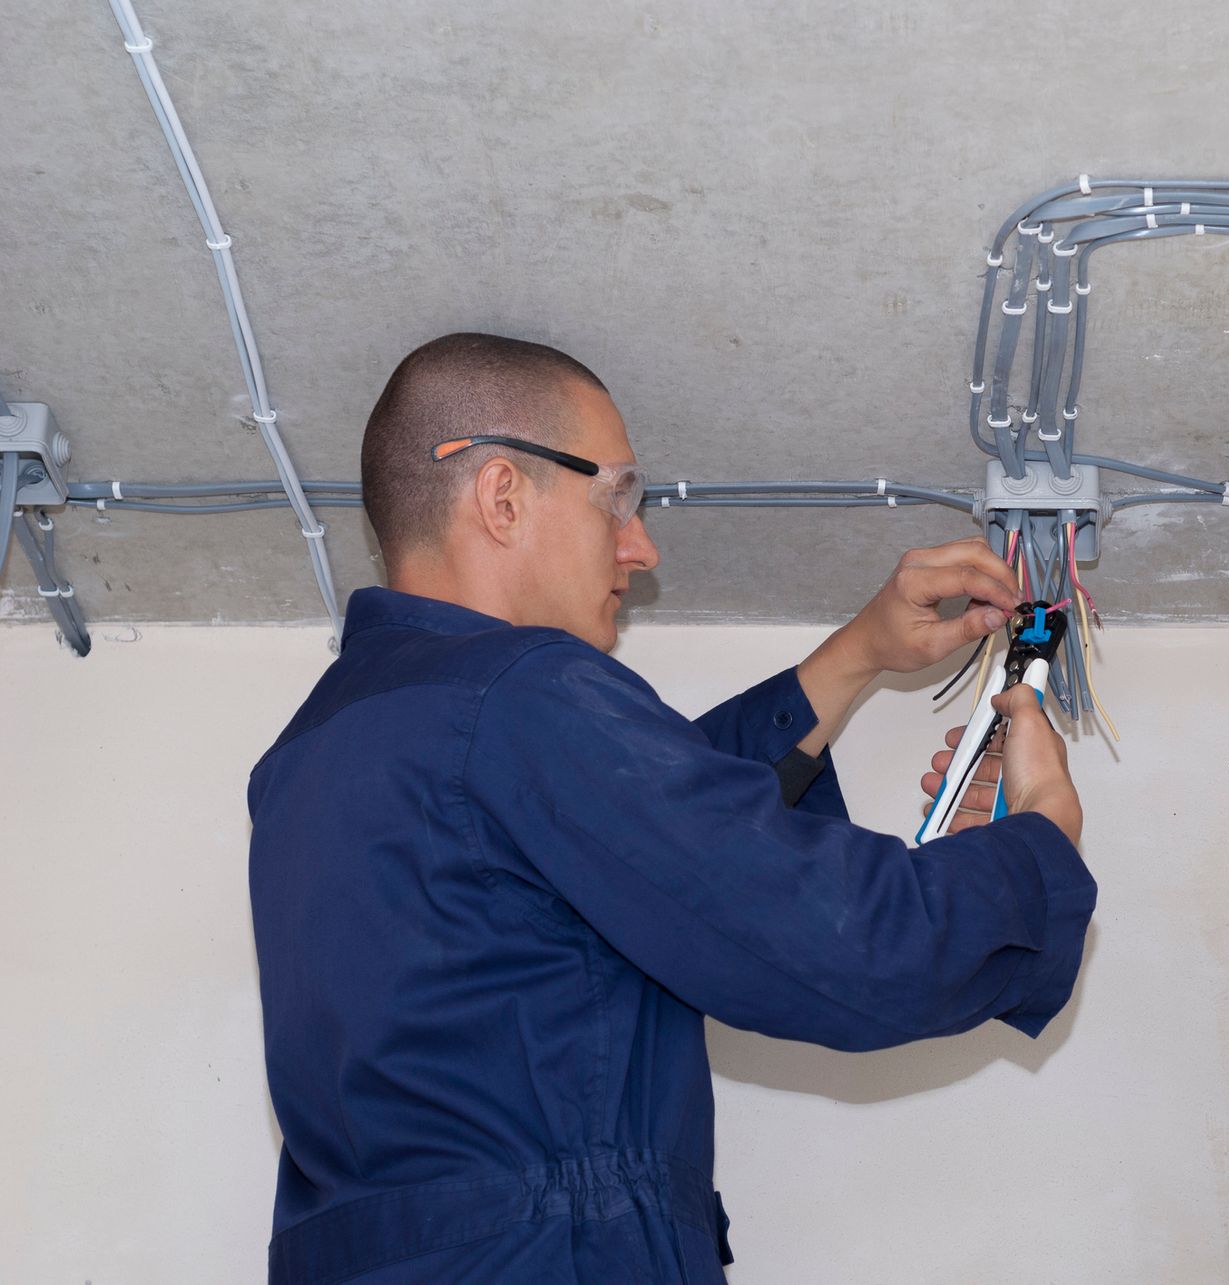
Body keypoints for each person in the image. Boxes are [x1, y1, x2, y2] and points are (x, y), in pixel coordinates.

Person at [247, 332, 1095, 1284]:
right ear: (501, 495)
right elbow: (831, 939)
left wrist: (854, 657)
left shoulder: (311, 757)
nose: (641, 548)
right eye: (619, 498)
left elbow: (628, 844)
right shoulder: (521, 695)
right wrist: (1040, 842)